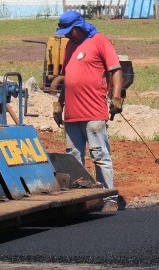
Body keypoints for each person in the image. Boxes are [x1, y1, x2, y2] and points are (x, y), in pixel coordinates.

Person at [52, 11, 123, 212]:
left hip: (93, 111)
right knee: (73, 157)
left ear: (79, 26)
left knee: (99, 154)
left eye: (70, 31)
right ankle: (78, 198)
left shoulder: (100, 41)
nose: (67, 35)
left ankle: (109, 198)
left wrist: (117, 97)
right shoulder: (70, 46)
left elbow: (115, 70)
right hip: (72, 114)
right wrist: (60, 103)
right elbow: (68, 78)